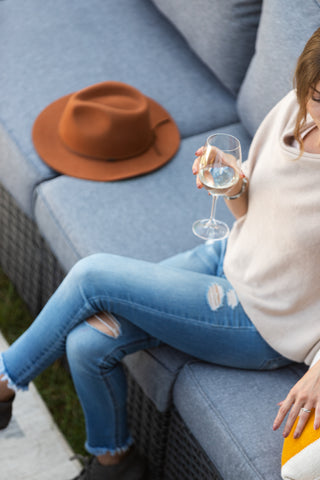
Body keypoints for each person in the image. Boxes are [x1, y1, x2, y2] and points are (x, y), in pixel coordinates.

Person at [1, 27, 320, 480]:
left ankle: (5, 380)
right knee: (88, 343)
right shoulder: (294, 110)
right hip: (228, 255)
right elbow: (252, 203)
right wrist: (234, 183)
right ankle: (117, 465)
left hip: (261, 317)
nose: (313, 108)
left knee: (94, 277)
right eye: (315, 95)